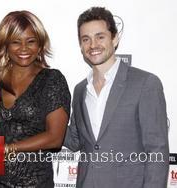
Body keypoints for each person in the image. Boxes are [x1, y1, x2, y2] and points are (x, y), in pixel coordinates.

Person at [64, 7, 169, 188]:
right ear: (81, 45)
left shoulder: (145, 83)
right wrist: (39, 115)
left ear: (115, 38)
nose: (93, 45)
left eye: (100, 37)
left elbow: (156, 151)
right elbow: (75, 140)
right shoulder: (80, 90)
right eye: (86, 39)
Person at [0, 10, 71, 187]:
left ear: (40, 45)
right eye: (15, 42)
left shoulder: (51, 80)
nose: (23, 48)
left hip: (31, 181)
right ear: (5, 44)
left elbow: (55, 138)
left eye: (31, 41)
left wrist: (7, 149)